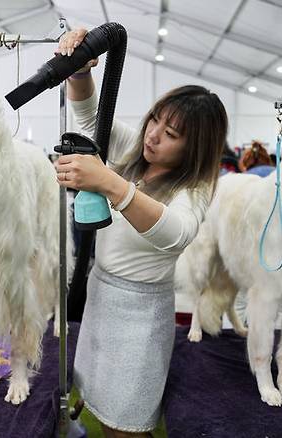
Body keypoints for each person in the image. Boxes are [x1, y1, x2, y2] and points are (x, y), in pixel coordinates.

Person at [55, 28, 228, 437]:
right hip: (101, 297)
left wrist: (109, 183)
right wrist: (79, 70)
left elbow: (177, 233)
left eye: (171, 135)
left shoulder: (194, 188)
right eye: (156, 121)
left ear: (195, 148)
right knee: (100, 407)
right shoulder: (137, 152)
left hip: (140, 317)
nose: (153, 135)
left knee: (127, 425)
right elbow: (92, 119)